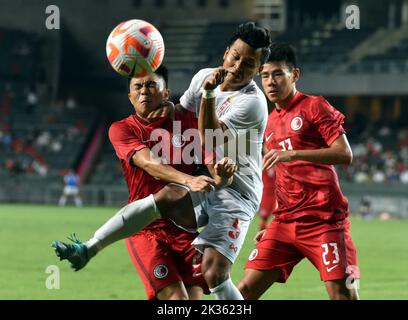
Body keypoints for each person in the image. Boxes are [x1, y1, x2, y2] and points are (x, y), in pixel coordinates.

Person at [52, 21, 271, 300]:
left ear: (257, 70)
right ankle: (90, 247)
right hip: (206, 183)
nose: (239, 66)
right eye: (236, 56)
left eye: (249, 63)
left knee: (214, 272)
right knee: (172, 192)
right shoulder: (203, 76)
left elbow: (210, 135)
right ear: (226, 52)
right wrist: (166, 107)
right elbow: (182, 115)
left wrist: (207, 94)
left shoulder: (252, 102)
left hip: (236, 193)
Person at [53, 65, 235, 300]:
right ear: (129, 96)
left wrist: (225, 175)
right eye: (137, 87)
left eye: (151, 85)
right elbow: (150, 164)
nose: (144, 92)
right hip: (147, 229)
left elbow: (215, 172)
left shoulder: (189, 122)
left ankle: (91, 247)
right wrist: (189, 180)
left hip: (187, 229)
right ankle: (92, 247)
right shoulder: (123, 129)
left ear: (166, 93)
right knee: (177, 301)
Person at [238, 43, 360, 300]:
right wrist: (273, 223)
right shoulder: (269, 122)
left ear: (295, 75)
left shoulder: (314, 106)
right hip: (285, 223)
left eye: (278, 74)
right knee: (244, 291)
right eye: (265, 75)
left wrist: (293, 153)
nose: (271, 82)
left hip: (324, 222)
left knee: (342, 295)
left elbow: (344, 153)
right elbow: (285, 178)